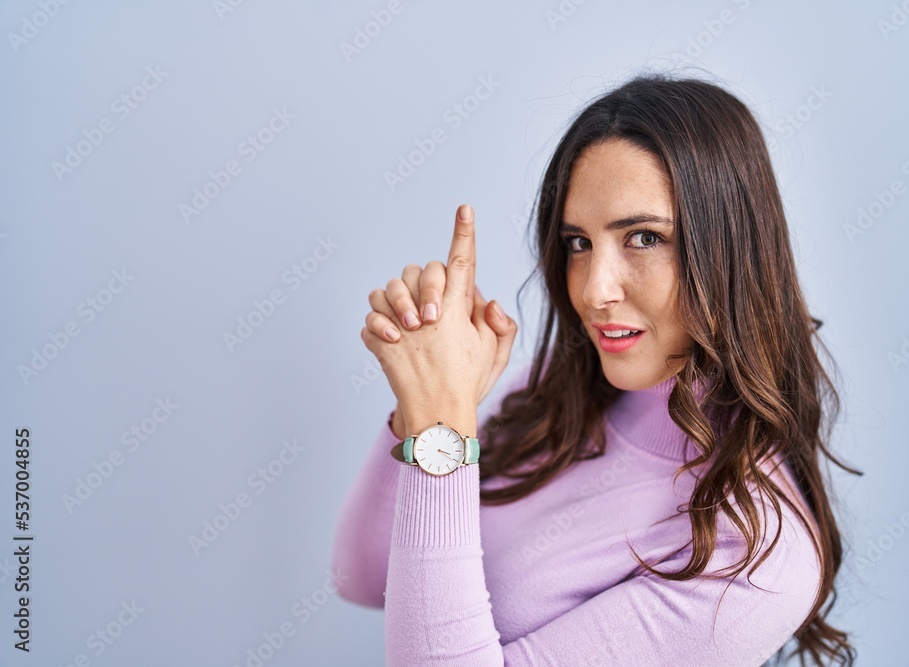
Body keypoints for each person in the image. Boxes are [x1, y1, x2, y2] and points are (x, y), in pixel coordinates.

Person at [333, 73, 859, 666]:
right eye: (578, 243)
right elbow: (362, 573)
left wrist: (444, 427)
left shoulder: (754, 559)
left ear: (733, 250)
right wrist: (421, 404)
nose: (594, 290)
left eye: (642, 237)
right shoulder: (560, 393)